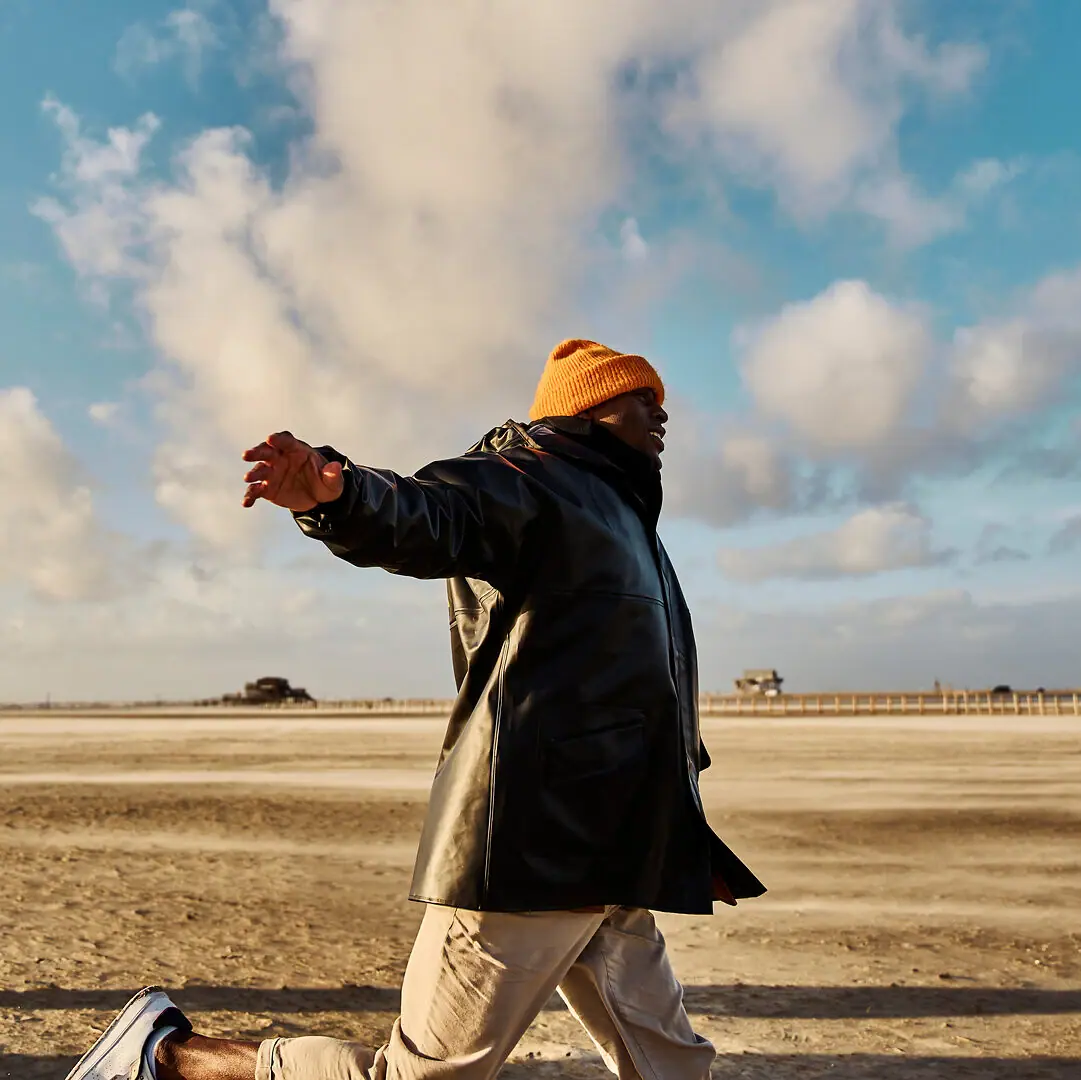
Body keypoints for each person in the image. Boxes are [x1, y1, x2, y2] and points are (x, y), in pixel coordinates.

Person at [66, 339, 765, 1080]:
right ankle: (170, 1056)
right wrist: (339, 497)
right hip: (533, 849)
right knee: (419, 1076)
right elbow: (430, 513)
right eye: (642, 398)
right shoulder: (531, 477)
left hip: (616, 848)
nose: (662, 414)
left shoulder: (622, 515)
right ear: (587, 406)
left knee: (672, 1069)